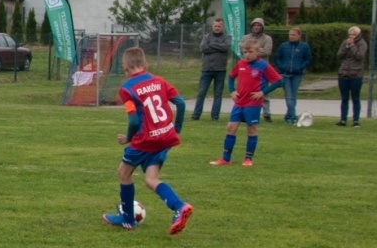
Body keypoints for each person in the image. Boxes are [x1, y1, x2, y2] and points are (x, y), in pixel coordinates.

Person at [104, 47, 193, 234]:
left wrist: (128, 137)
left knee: (123, 173)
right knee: (151, 179)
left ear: (125, 66)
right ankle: (179, 206)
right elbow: (181, 103)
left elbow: (134, 120)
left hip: (145, 140)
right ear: (146, 64)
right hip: (165, 136)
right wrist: (176, 129)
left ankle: (127, 219)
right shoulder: (159, 81)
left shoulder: (127, 89)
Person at [210, 39, 282, 166]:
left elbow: (278, 81)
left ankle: (248, 159)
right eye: (245, 52)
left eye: (250, 51)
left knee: (251, 129)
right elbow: (231, 77)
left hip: (253, 104)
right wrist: (232, 91)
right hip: (239, 103)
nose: (247, 55)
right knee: (231, 128)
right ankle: (226, 158)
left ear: (257, 52)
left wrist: (262, 92)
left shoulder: (263, 66)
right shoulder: (241, 63)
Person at [272, 27, 313, 124]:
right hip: (285, 74)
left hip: (297, 74)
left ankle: (288, 116)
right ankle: (293, 116)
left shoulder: (304, 46)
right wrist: (281, 66)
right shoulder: (283, 46)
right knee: (289, 96)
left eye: (294, 35)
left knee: (293, 96)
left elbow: (308, 59)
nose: (291, 37)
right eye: (290, 35)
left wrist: (301, 67)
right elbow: (277, 57)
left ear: (299, 36)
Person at [194, 17, 231, 121]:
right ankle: (196, 115)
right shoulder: (206, 37)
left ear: (222, 27)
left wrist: (212, 45)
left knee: (218, 94)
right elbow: (203, 48)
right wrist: (218, 47)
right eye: (215, 26)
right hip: (206, 69)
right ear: (212, 26)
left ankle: (215, 116)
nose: (217, 28)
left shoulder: (227, 37)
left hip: (220, 70)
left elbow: (226, 47)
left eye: (219, 26)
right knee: (201, 93)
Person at [335, 26, 367, 127]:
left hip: (356, 74)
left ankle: (356, 120)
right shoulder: (345, 42)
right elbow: (339, 56)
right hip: (343, 74)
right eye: (350, 34)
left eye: (354, 34)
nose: (351, 36)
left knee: (355, 98)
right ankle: (343, 119)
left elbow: (359, 56)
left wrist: (352, 46)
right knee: (344, 98)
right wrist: (346, 47)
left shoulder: (362, 43)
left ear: (358, 35)